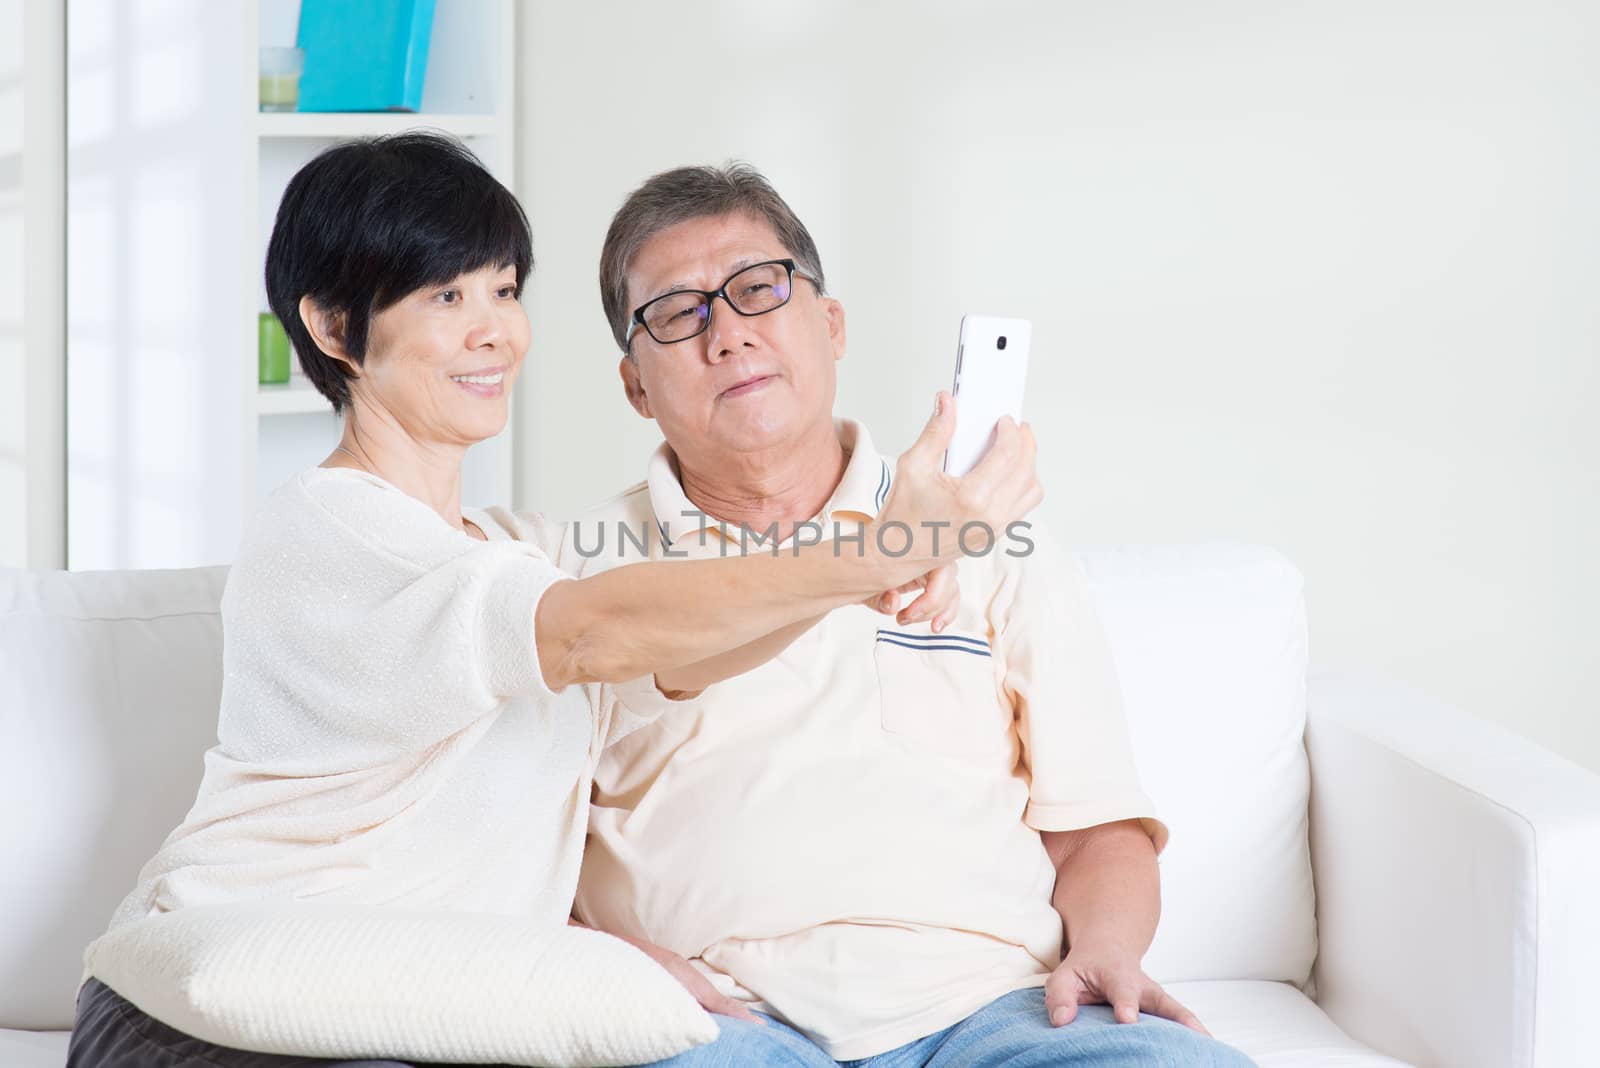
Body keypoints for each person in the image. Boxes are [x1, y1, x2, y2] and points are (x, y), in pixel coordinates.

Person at [63, 134, 1041, 1068]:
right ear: (331, 328)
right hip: (223, 1013)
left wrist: (880, 561)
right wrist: (882, 551)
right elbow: (589, 634)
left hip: (429, 1012)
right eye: (447, 294)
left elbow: (674, 653)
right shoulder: (327, 529)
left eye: (503, 289)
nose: (495, 329)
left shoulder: (511, 550)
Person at [556, 163, 1258, 1067]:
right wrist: (614, 963)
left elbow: (1098, 831)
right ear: (635, 386)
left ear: (831, 325)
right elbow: (519, 864)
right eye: (677, 313)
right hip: (714, 1020)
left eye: (759, 290)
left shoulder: (986, 531)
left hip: (998, 1011)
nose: (726, 333)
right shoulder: (574, 573)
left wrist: (1106, 952)